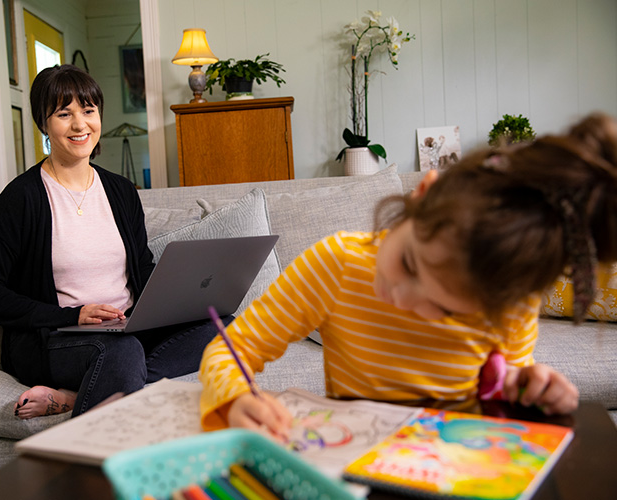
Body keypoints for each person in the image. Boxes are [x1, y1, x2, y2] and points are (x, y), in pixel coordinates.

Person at [199, 113, 617, 437]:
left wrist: (526, 387)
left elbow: (499, 387)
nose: (402, 298)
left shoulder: (513, 304)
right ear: (423, 194)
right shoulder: (336, 264)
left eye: (443, 309)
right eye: (409, 264)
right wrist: (235, 400)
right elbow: (229, 351)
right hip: (353, 467)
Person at [0, 64, 228, 419]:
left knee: (224, 326)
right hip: (60, 338)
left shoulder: (120, 191)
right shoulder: (22, 197)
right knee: (121, 353)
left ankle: (74, 397)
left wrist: (177, 300)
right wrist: (71, 314)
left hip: (129, 327)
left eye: (88, 111)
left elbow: (141, 268)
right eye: (63, 114)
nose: (79, 125)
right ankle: (94, 435)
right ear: (44, 123)